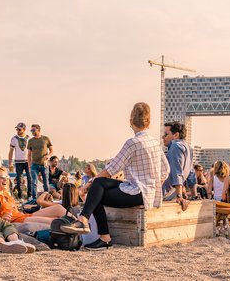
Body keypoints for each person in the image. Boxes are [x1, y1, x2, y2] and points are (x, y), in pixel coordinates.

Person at [60, 102, 170, 250]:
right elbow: (166, 170)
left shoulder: (132, 143)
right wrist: (154, 186)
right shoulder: (155, 143)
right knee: (99, 184)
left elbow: (110, 170)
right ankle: (84, 220)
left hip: (138, 193)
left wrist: (88, 185)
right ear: (149, 122)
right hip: (146, 191)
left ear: (130, 121)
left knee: (96, 193)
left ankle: (102, 236)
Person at [0, 167, 66, 225]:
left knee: (58, 208)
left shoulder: (6, 194)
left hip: (22, 215)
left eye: (7, 177)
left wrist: (23, 207)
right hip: (15, 220)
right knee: (54, 220)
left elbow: (12, 209)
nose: (6, 179)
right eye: (2, 177)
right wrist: (1, 219)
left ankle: (78, 223)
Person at [161, 121, 192, 210]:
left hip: (165, 194)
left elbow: (177, 172)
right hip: (173, 195)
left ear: (176, 135)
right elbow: (191, 173)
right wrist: (190, 194)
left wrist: (179, 196)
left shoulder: (175, 146)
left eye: (166, 134)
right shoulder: (189, 148)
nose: (163, 137)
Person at [27, 124, 53, 198]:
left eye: (33, 130)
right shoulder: (31, 141)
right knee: (34, 182)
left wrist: (48, 156)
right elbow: (29, 154)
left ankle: (46, 198)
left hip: (44, 165)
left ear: (38, 130)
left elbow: (52, 150)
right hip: (34, 165)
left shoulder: (45, 139)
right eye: (31, 130)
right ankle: (34, 199)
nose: (32, 132)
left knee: (45, 183)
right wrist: (29, 166)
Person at [8, 122, 30, 200]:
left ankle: (29, 196)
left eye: (19, 129)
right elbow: (11, 152)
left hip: (28, 161)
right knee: (18, 180)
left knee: (29, 178)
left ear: (24, 130)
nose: (17, 130)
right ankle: (20, 197)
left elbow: (32, 152)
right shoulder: (14, 139)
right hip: (18, 162)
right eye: (17, 129)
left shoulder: (29, 139)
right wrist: (10, 163)